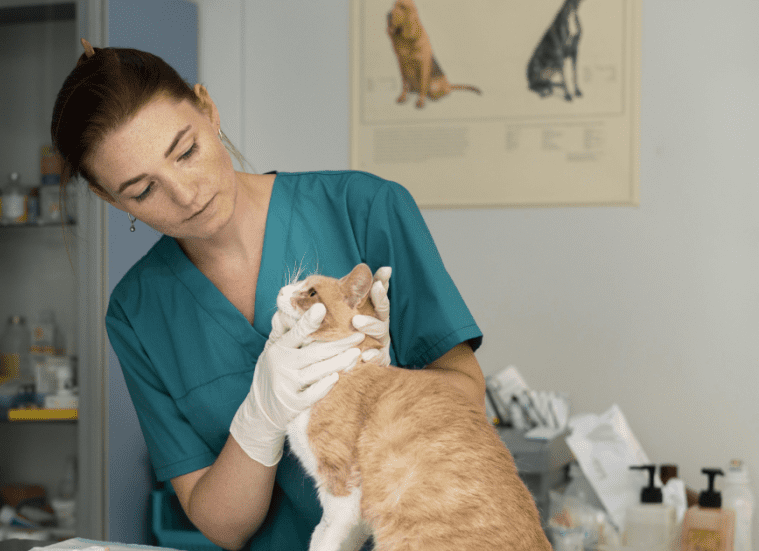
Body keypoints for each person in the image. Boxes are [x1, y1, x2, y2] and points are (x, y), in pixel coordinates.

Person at [50, 40, 486, 551]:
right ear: (107, 197)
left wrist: (384, 385)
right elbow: (223, 525)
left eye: (186, 151)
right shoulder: (138, 312)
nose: (186, 194)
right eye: (143, 190)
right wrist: (260, 416)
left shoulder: (363, 209)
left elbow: (469, 399)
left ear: (209, 110)